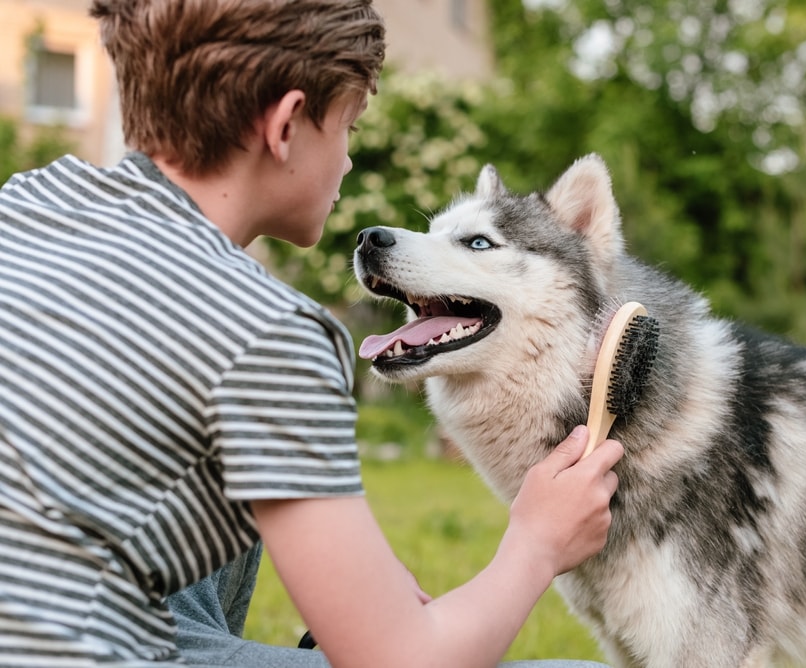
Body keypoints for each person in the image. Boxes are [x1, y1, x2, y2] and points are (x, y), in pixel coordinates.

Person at [0, 1, 625, 666]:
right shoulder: (268, 333)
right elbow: (403, 664)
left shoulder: (30, 199)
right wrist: (535, 542)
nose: (350, 161)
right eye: (349, 128)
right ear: (287, 123)